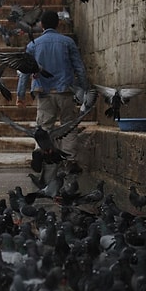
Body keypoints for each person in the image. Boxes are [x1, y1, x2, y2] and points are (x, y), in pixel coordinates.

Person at [16, 11, 88, 182]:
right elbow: (79, 68)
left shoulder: (34, 44)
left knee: (43, 127)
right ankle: (70, 161)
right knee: (68, 125)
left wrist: (20, 95)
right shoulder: (68, 42)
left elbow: (25, 71)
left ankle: (39, 153)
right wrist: (84, 90)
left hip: (44, 92)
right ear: (58, 24)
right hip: (65, 91)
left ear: (41, 25)